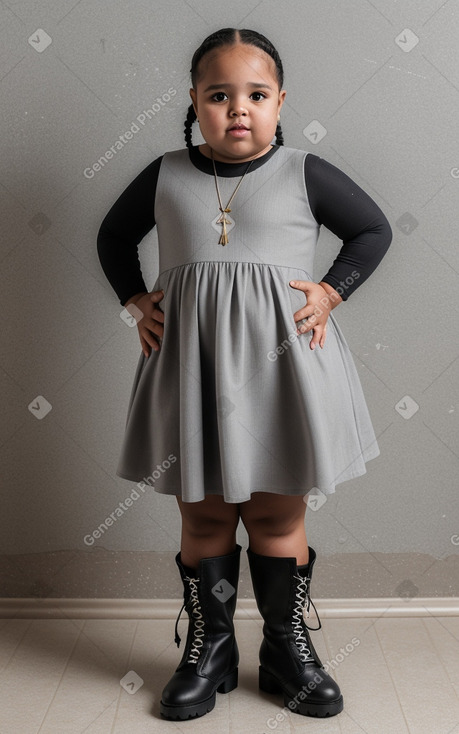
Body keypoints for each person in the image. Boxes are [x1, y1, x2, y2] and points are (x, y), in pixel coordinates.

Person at [97, 27, 392, 722]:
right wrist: (136, 302)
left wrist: (330, 291)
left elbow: (372, 231)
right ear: (194, 102)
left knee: (273, 510)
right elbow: (113, 238)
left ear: (279, 101)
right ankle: (211, 650)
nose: (238, 109)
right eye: (219, 95)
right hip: (192, 367)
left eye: (255, 95)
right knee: (203, 513)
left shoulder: (304, 172)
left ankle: (286, 651)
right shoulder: (165, 173)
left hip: (282, 372)